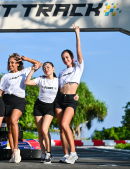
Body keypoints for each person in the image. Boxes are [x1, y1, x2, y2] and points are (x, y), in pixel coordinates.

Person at [0, 53, 41, 163]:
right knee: (9, 128)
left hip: (19, 100)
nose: (10, 64)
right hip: (6, 100)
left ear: (18, 64)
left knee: (14, 121)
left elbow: (38, 64)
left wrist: (27, 59)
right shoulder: (5, 77)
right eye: (9, 63)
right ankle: (13, 153)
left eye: (12, 62)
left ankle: (17, 150)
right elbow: (0, 92)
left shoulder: (24, 72)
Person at [55, 24, 84, 164]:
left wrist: (77, 34)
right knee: (61, 128)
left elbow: (79, 53)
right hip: (59, 99)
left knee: (66, 124)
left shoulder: (78, 68)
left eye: (67, 57)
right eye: (63, 58)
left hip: (71, 99)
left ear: (71, 57)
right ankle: (66, 154)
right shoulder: (61, 72)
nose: (65, 60)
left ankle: (73, 153)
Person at [24, 62, 58, 164]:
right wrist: (33, 70)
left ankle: (48, 153)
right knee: (40, 132)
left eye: (48, 67)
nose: (46, 69)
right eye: (44, 68)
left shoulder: (58, 81)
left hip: (50, 107)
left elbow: (67, 89)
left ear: (53, 69)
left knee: (44, 129)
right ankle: (43, 153)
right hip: (39, 106)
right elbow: (27, 82)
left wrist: (76, 95)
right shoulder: (41, 79)